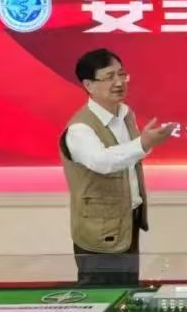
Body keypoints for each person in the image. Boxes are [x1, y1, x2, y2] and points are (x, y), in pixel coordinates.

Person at [60, 49, 176, 286]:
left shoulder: (125, 114)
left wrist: (144, 144)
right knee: (102, 294)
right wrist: (143, 143)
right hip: (99, 228)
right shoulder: (80, 128)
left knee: (127, 289)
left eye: (122, 75)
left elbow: (128, 157)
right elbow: (102, 162)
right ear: (89, 85)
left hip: (127, 220)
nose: (119, 82)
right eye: (109, 76)